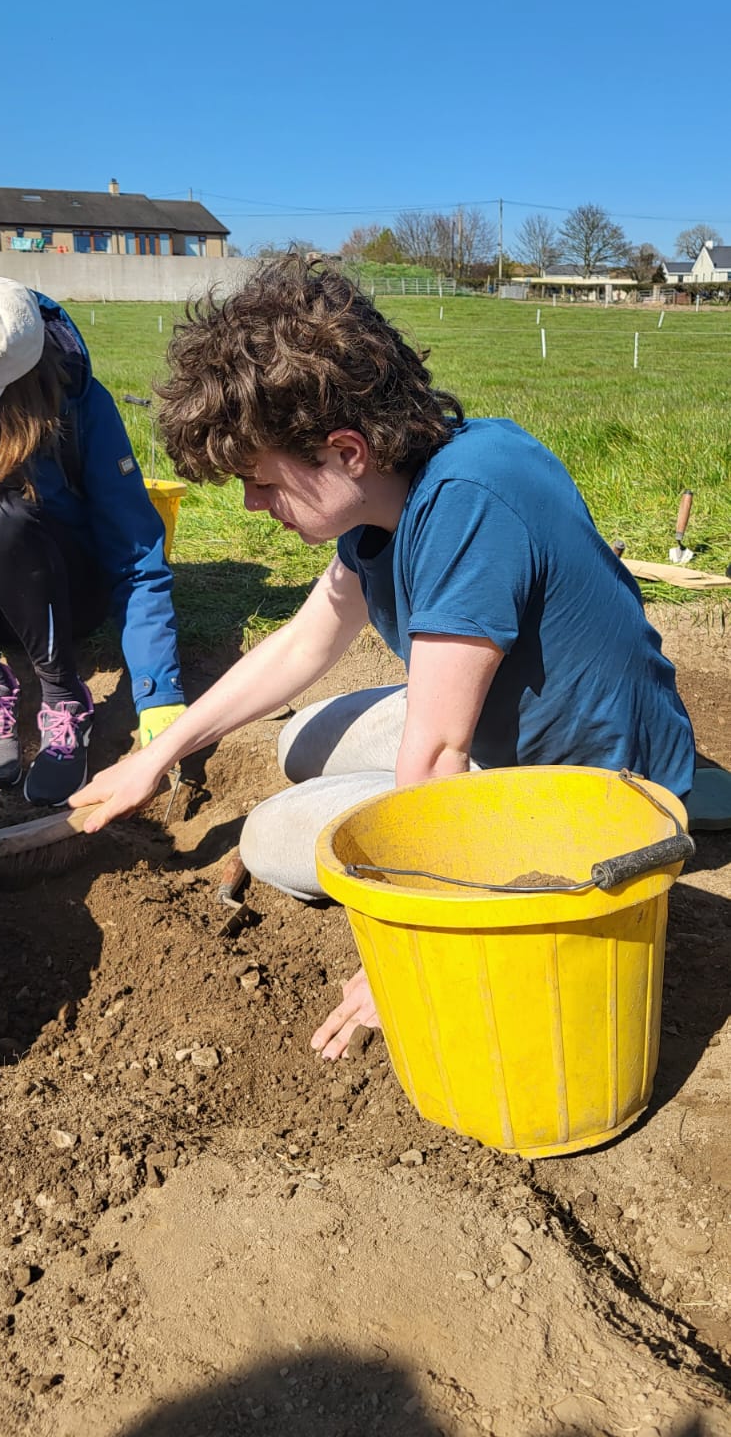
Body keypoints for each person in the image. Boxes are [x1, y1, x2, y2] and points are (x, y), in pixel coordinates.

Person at [71, 256, 695, 1059]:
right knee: (301, 741)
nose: (254, 506)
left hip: (594, 797)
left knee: (268, 838)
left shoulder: (466, 507)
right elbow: (304, 642)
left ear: (345, 450)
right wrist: (154, 757)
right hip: (528, 728)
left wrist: (407, 950)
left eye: (261, 482)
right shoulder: (397, 493)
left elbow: (434, 756)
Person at [0, 278, 185, 805]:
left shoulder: (80, 409)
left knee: (0, 514)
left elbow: (136, 553)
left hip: (65, 593)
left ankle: (63, 695)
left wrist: (158, 692)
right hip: (1, 610)